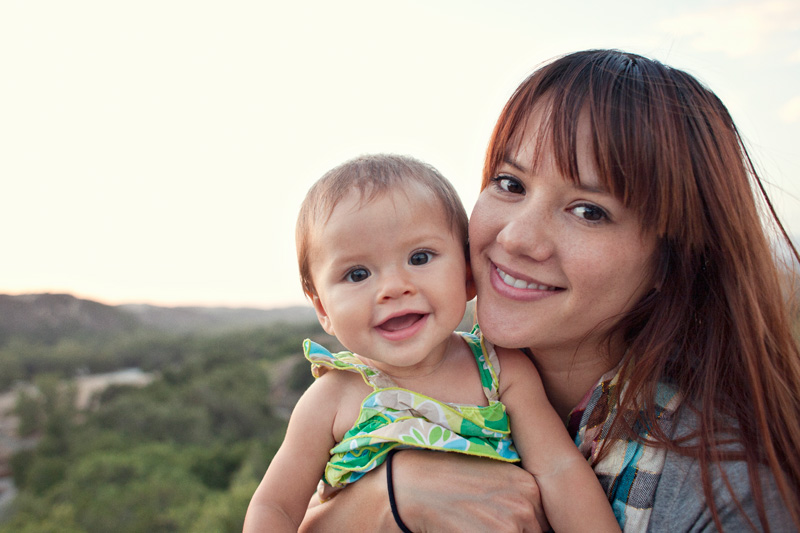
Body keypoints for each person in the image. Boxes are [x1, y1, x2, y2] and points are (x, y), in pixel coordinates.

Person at [299, 50, 800, 532]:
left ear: (675, 261)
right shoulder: (400, 382)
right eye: (510, 183)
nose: (515, 236)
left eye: (589, 211)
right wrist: (387, 499)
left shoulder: (728, 495)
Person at [243, 154, 621, 532]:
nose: (393, 288)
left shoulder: (498, 371)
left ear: (468, 275)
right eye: (357, 274)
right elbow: (275, 507)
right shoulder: (332, 398)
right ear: (323, 308)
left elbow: (559, 469)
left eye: (419, 257)